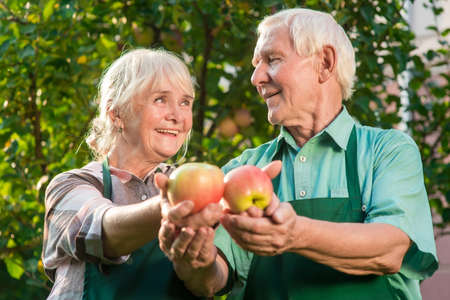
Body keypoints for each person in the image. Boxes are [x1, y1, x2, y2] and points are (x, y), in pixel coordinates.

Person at [158, 8, 438, 299]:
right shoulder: (245, 168)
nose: (256, 78)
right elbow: (213, 278)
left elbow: (390, 249)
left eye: (272, 60)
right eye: (256, 64)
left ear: (325, 64)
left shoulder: (386, 151)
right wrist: (194, 263)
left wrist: (294, 235)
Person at [41, 48, 222, 299]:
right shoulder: (70, 186)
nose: (177, 116)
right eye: (160, 99)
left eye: (185, 102)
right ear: (116, 114)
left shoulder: (202, 187)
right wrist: (172, 205)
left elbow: (212, 282)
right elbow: (101, 231)